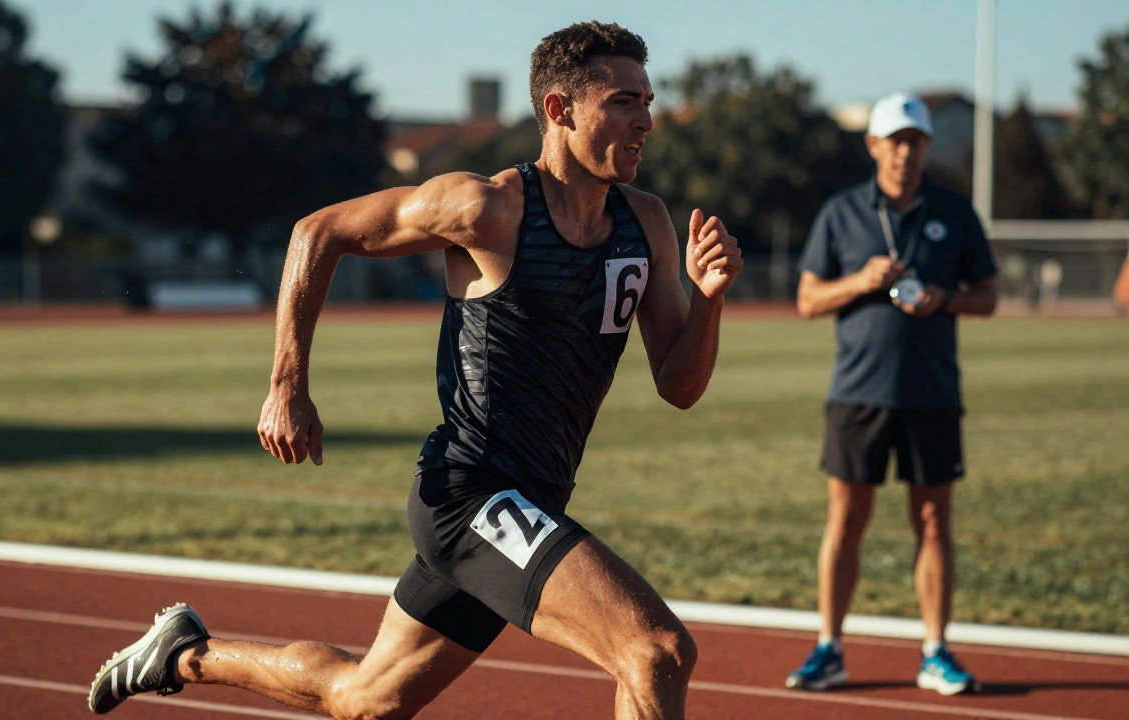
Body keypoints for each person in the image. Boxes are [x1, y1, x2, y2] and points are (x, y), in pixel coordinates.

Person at [87, 21, 744, 719]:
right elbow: (319, 232)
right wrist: (286, 385)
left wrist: (708, 300)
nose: (646, 119)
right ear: (559, 110)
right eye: (622, 101)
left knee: (365, 697)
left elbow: (679, 387)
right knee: (654, 650)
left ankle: (185, 652)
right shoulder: (486, 208)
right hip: (469, 496)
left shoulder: (647, 224)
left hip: (534, 501)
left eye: (647, 99)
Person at [785, 93, 998, 697]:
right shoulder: (842, 211)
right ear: (873, 145)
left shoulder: (955, 212)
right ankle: (830, 648)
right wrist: (860, 281)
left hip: (932, 393)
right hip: (858, 393)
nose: (906, 151)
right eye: (895, 140)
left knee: (933, 522)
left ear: (927, 146)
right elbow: (806, 300)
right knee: (845, 522)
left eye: (916, 140)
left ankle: (935, 650)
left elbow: (987, 296)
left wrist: (943, 299)